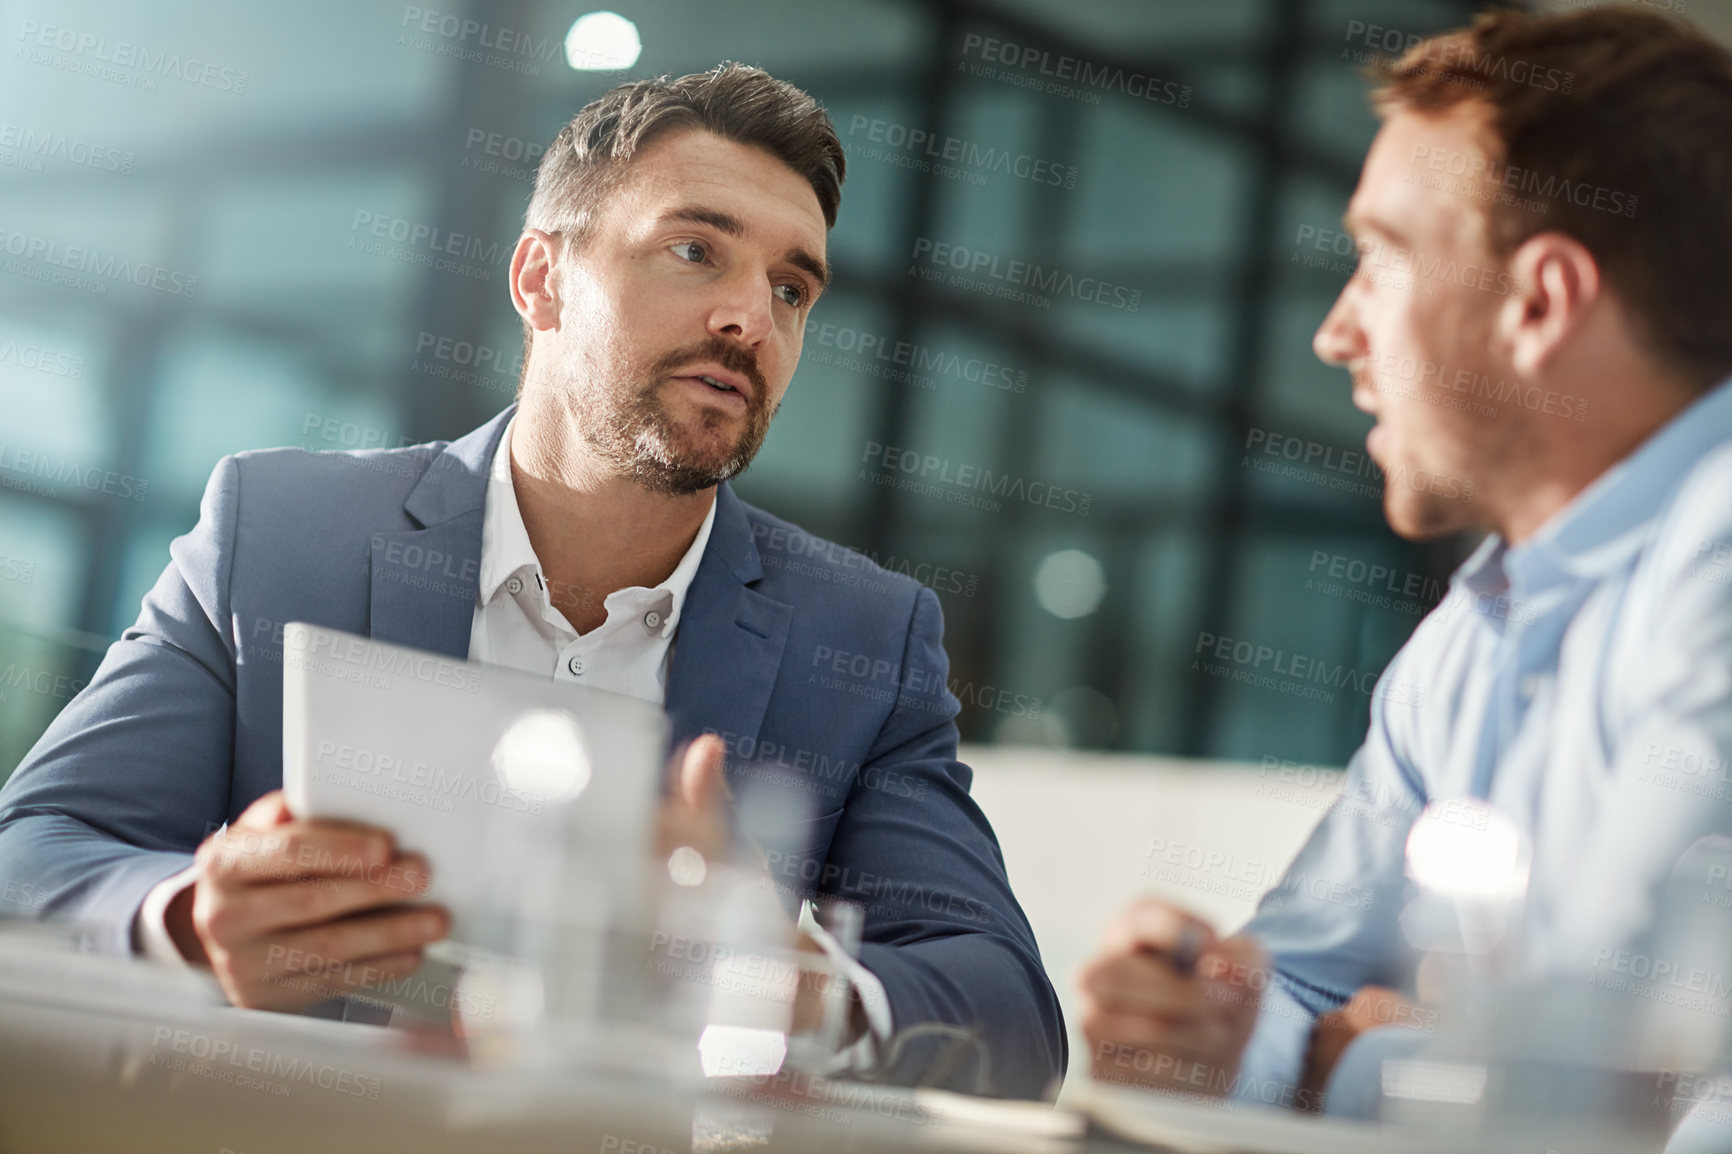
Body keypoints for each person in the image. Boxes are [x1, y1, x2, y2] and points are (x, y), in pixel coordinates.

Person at [0, 64, 1064, 1099]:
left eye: (791, 287)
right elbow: (33, 856)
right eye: (696, 250)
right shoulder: (279, 533)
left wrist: (790, 991)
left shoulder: (865, 637)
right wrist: (190, 917)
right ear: (539, 280)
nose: (751, 318)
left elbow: (1010, 1013)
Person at [1078, 7, 1732, 1120]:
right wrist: (1209, 1027)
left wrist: (1361, 1067)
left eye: (1380, 256)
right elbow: (1296, 977)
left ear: (1540, 302)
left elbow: (1638, 1083)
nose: (1336, 333)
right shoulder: (1471, 632)